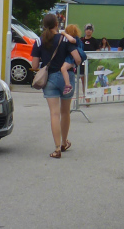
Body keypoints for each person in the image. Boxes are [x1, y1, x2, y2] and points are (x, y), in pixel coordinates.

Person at [31, 13, 82, 159]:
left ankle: (57, 148)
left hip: (50, 79)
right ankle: (65, 142)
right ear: (56, 24)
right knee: (65, 112)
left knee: (54, 113)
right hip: (67, 78)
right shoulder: (65, 39)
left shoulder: (39, 41)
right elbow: (77, 59)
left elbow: (34, 65)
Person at [58, 24, 86, 96]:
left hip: (72, 57)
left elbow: (72, 40)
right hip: (73, 57)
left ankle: (68, 85)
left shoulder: (75, 39)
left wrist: (64, 34)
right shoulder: (78, 39)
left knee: (63, 68)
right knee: (64, 68)